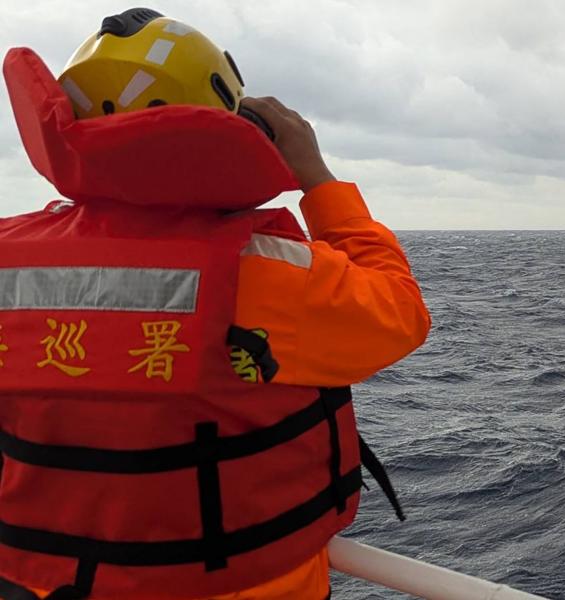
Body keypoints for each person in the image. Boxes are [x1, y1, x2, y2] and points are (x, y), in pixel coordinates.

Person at [0, 7, 430, 599]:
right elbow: (399, 311)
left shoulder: (7, 254)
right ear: (227, 119)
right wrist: (318, 177)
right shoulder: (261, 269)